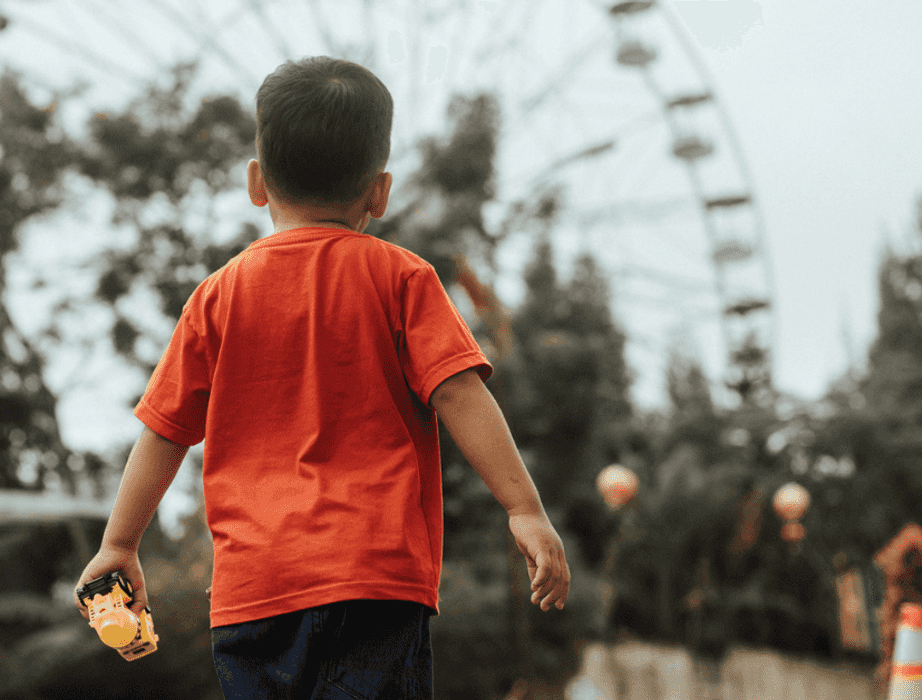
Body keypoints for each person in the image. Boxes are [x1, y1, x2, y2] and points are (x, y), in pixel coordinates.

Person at [75, 55, 569, 699]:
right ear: (380, 191)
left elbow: (165, 430)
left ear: (257, 182)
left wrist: (120, 542)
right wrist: (525, 509)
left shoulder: (217, 297)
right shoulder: (404, 278)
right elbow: (458, 392)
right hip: (374, 579)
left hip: (254, 593)